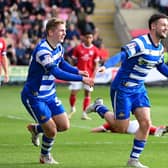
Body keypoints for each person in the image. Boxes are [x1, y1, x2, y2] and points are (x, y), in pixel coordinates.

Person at [86, 13, 168, 168]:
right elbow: (121, 55)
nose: (166, 28)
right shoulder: (140, 43)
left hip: (139, 89)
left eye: (167, 26)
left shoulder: (160, 49)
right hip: (122, 88)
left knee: (145, 123)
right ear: (153, 26)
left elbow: (161, 66)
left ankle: (133, 160)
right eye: (163, 25)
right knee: (121, 128)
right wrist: (108, 65)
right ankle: (98, 107)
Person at [21, 17, 94, 164]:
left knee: (64, 125)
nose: (64, 33)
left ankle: (36, 129)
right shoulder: (43, 51)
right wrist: (80, 79)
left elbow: (62, 63)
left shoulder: (58, 47)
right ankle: (44, 156)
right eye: (61, 30)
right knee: (52, 130)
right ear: (50, 32)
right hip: (35, 97)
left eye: (65, 30)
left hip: (50, 94)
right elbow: (57, 72)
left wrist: (78, 71)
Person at [87, 98, 168, 136]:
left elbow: (95, 130)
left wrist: (106, 131)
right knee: (146, 128)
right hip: (133, 124)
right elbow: (96, 130)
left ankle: (98, 107)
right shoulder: (110, 124)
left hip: (132, 125)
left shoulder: (110, 124)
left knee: (143, 128)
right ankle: (160, 129)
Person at [68, 30, 100, 120]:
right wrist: (73, 69)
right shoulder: (78, 48)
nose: (89, 39)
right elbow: (73, 60)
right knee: (74, 92)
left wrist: (93, 76)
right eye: (87, 37)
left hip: (89, 76)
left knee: (87, 94)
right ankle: (72, 109)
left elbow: (96, 64)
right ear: (84, 38)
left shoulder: (95, 50)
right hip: (78, 75)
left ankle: (84, 113)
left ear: (92, 38)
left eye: (90, 37)